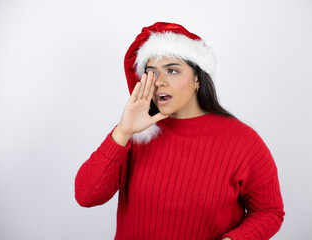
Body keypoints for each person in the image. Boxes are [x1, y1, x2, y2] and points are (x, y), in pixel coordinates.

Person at [74, 22, 285, 240]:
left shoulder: (243, 141)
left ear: (197, 79)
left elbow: (269, 212)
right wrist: (123, 131)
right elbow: (86, 196)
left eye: (172, 71)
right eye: (151, 73)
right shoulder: (135, 134)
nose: (159, 82)